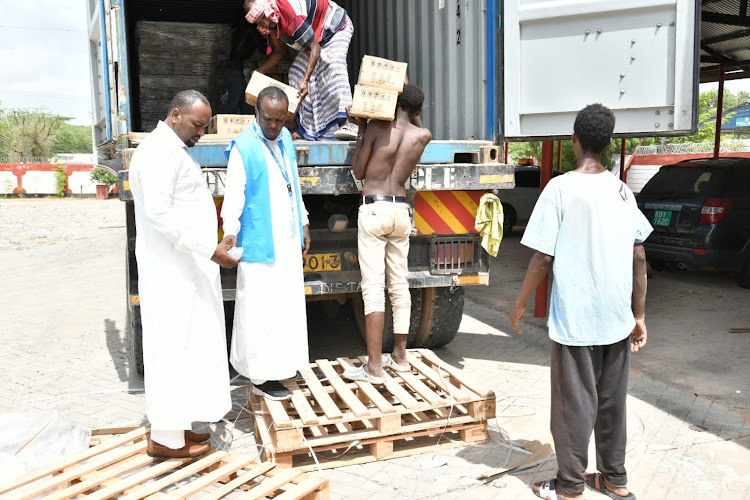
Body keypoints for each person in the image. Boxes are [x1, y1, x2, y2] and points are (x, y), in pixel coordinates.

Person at [508, 104, 651, 500]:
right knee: (611, 401)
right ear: (606, 144)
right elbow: (639, 256)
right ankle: (614, 480)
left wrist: (520, 302)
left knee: (574, 403)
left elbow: (542, 257)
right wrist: (638, 315)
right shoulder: (623, 191)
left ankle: (570, 486)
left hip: (576, 319)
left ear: (574, 141)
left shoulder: (560, 188)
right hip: (616, 318)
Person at [129, 90, 240, 459]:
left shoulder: (172, 149)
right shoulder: (159, 153)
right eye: (197, 125)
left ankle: (177, 428)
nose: (201, 134)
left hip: (184, 270)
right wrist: (210, 250)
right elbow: (161, 215)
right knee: (170, 350)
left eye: (205, 127)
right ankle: (165, 440)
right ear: (176, 114)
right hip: (170, 273)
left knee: (186, 346)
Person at [221, 85, 311, 400]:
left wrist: (304, 221)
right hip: (259, 240)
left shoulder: (285, 139)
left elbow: (293, 183)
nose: (273, 126)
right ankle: (260, 376)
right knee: (258, 310)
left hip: (285, 239)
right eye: (268, 119)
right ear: (256, 113)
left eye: (280, 119)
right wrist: (229, 233)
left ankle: (283, 367)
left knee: (285, 306)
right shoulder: (242, 147)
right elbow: (233, 197)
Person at [342, 84, 432, 384]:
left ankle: (375, 367)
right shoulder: (423, 136)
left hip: (374, 208)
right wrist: (414, 114)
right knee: (399, 286)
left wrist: (362, 130)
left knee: (373, 289)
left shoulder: (378, 128)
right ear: (418, 110)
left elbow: (358, 171)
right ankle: (401, 356)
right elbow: (419, 125)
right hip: (400, 211)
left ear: (394, 103)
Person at [243, 0, 358, 141]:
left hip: (335, 28)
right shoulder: (273, 24)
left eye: (265, 17)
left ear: (269, 8)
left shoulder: (291, 16)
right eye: (261, 21)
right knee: (296, 73)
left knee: (334, 67)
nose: (266, 23)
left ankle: (351, 122)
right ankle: (308, 129)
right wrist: (260, 71)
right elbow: (280, 51)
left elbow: (315, 48)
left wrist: (306, 80)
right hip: (315, 39)